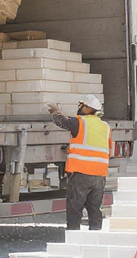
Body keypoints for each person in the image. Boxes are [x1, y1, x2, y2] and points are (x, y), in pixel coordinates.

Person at [47, 94, 110, 232]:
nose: (80, 108)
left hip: (81, 173)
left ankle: (73, 236)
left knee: (75, 208)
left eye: (82, 105)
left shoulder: (80, 122)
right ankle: (96, 236)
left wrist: (55, 111)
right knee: (95, 209)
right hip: (99, 175)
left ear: (88, 108)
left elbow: (62, 122)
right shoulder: (105, 127)